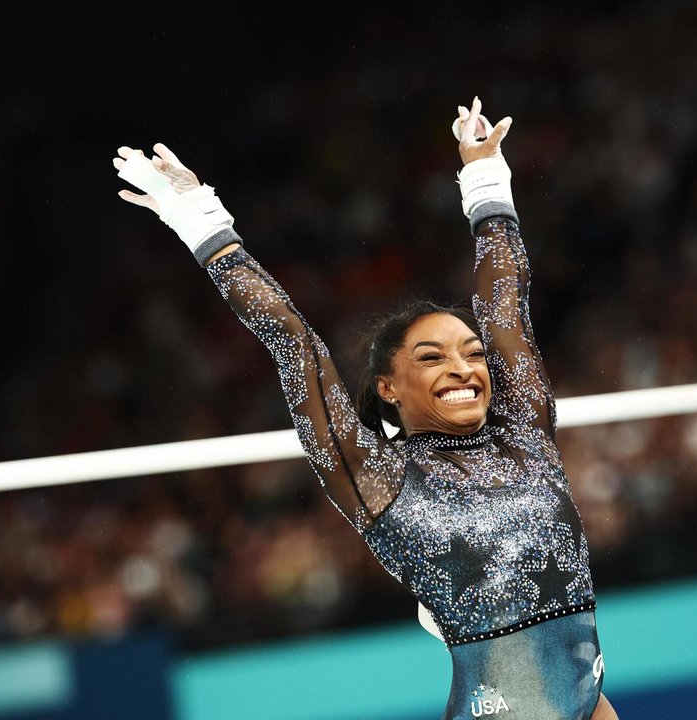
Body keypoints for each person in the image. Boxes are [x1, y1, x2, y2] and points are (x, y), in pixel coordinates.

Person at [113, 97, 619, 720]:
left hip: (584, 703)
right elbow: (291, 337)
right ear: (387, 387)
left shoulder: (527, 437)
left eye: (472, 354)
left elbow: (506, 306)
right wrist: (199, 218)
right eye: (431, 358)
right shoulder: (377, 476)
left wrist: (486, 180)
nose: (462, 368)